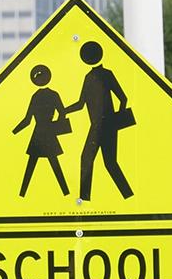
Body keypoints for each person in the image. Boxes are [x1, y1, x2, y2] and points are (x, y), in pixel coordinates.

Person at [64, 40, 135, 202]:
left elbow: (122, 97)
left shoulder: (101, 75)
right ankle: (87, 200)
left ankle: (127, 197)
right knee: (97, 161)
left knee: (103, 162)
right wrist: (64, 111)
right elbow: (82, 104)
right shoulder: (92, 77)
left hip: (104, 126)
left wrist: (116, 119)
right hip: (99, 126)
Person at [12, 64, 70, 197]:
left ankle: (22, 194)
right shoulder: (52, 95)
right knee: (51, 164)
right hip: (47, 132)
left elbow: (27, 120)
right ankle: (65, 193)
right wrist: (13, 132)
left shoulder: (36, 96)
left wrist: (14, 132)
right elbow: (62, 113)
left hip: (39, 133)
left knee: (35, 165)